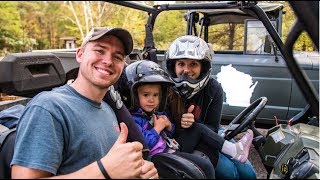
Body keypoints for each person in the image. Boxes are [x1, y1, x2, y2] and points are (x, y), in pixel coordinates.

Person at [10, 26, 158, 179]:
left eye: (117, 57)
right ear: (80, 55)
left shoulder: (108, 109)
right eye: (100, 51)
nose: (108, 61)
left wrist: (137, 171)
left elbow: (114, 168)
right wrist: (104, 171)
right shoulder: (49, 107)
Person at [117, 60, 254, 178]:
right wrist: (158, 128)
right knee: (220, 169)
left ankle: (234, 150)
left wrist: (169, 126)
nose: (152, 100)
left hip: (170, 147)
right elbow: (143, 144)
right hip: (159, 157)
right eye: (146, 95)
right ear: (133, 95)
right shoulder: (134, 119)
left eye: (155, 95)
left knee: (199, 129)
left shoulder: (155, 113)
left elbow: (169, 134)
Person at [165, 35, 257, 179]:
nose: (186, 70)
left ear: (203, 67)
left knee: (248, 173)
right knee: (228, 173)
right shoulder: (166, 90)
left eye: (193, 64)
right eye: (181, 64)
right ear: (173, 66)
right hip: (184, 141)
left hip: (212, 134)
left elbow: (213, 127)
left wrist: (195, 125)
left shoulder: (213, 89)